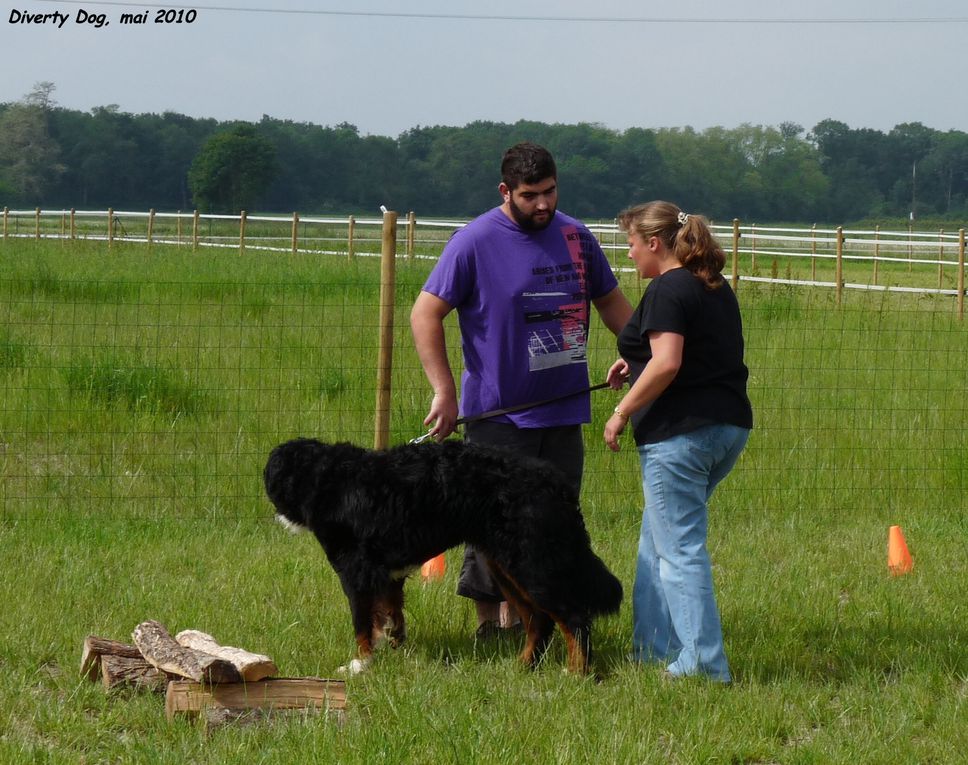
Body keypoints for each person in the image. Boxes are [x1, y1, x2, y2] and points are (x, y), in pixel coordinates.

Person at [411, 142, 633, 637]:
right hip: (499, 415)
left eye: (550, 192)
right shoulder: (473, 241)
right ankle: (492, 622)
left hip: (563, 410)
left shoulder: (578, 238)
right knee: (493, 524)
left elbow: (613, 305)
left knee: (556, 522)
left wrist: (643, 353)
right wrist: (444, 392)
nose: (543, 205)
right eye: (530, 195)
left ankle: (536, 620)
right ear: (505, 190)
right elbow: (425, 313)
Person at [603, 201, 752, 683]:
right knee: (657, 541)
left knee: (679, 550)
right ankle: (652, 649)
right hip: (726, 427)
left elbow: (669, 363)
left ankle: (704, 665)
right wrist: (635, 364)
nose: (628, 256)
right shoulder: (711, 284)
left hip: (680, 435)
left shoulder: (668, 287)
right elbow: (691, 352)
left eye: (629, 245)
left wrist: (622, 411)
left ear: (653, 242)